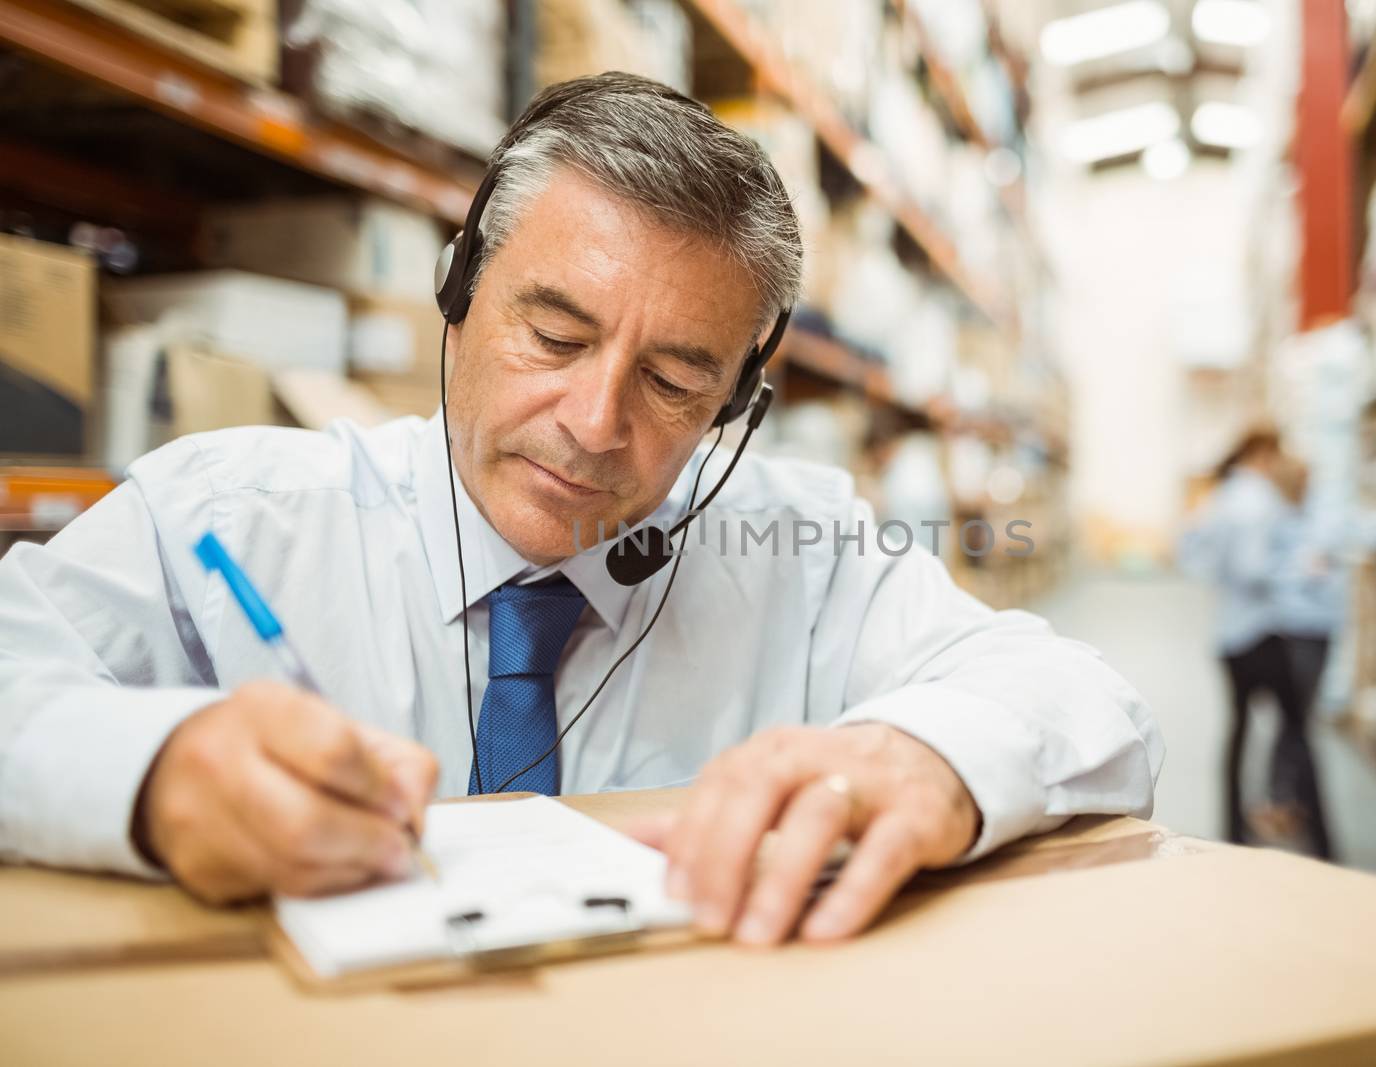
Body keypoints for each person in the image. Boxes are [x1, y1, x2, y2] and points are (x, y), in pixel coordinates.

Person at [0, 74, 1162, 946]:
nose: (595, 420)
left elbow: (1086, 702)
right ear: (457, 292)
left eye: (673, 381)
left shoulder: (800, 546)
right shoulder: (226, 517)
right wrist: (151, 773)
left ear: (736, 407)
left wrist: (929, 757)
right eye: (553, 335)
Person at [1181, 431, 1333, 859]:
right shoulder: (1256, 499)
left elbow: (1193, 554)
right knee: (1297, 733)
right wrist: (1299, 569)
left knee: (1239, 732)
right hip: (1259, 633)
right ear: (1261, 453)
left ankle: (1232, 828)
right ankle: (1323, 842)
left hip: (1228, 633)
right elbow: (1252, 569)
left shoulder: (1223, 497)